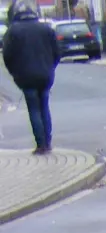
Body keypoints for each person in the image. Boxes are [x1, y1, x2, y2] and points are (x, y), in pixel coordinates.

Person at [2, 0, 61, 154]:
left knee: (34, 109)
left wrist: (15, 73)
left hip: (25, 76)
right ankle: (47, 142)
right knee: (44, 107)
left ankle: (40, 144)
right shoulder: (46, 28)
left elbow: (7, 56)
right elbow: (57, 53)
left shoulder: (13, 31)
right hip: (45, 75)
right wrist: (50, 67)